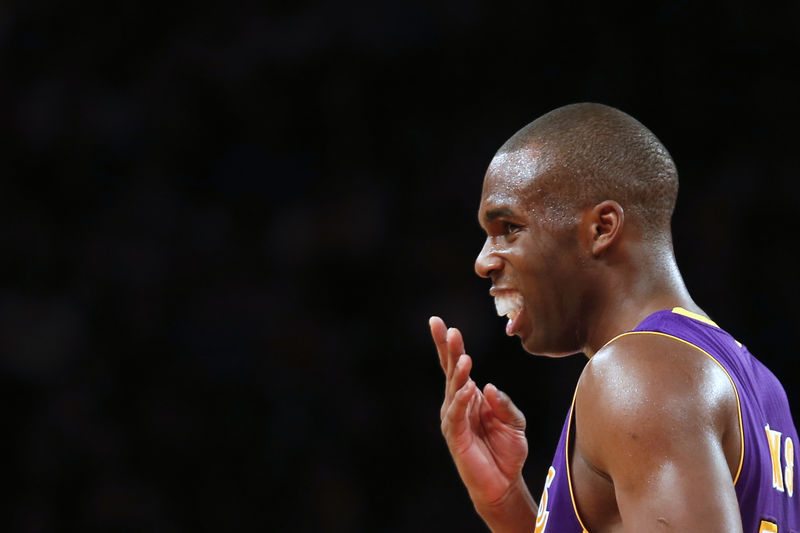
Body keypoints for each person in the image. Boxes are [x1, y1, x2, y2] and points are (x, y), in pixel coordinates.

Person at [429, 102, 800, 532]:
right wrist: (506, 504)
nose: (483, 261)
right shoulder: (758, 385)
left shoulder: (636, 378)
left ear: (602, 228)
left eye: (509, 228)